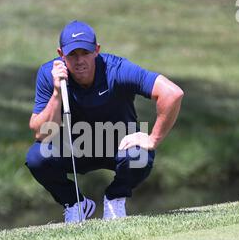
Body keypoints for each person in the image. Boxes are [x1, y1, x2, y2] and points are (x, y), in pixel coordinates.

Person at [26, 20, 183, 223]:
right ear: (61, 54)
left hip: (119, 147)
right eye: (72, 54)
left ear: (97, 50)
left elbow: (172, 94)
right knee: (37, 157)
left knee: (139, 156)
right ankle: (75, 203)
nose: (79, 60)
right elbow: (41, 133)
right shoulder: (49, 75)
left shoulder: (117, 69)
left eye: (85, 52)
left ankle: (115, 197)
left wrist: (153, 139)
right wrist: (57, 93)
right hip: (75, 150)